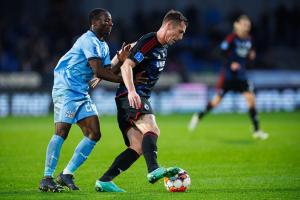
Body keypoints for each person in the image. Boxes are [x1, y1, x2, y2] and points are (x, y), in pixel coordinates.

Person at [91, 9, 188, 192]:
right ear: (168, 26)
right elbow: (127, 65)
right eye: (180, 32)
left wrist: (108, 69)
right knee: (152, 128)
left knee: (137, 146)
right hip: (132, 96)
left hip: (128, 97)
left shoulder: (159, 45)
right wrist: (132, 91)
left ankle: (104, 181)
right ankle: (153, 170)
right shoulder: (150, 41)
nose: (181, 37)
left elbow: (125, 52)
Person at [39, 8, 132, 192]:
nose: (110, 24)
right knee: (62, 131)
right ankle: (47, 178)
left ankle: (66, 174)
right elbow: (99, 72)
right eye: (106, 21)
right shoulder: (87, 40)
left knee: (94, 133)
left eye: (111, 21)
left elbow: (106, 72)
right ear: (94, 23)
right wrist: (128, 81)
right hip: (65, 87)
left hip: (80, 91)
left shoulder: (103, 45)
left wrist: (120, 61)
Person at [188, 15, 268, 140]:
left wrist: (251, 57)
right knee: (216, 102)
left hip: (241, 76)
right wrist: (231, 63)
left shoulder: (249, 40)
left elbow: (248, 59)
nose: (246, 27)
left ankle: (256, 130)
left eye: (248, 25)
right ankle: (198, 116)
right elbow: (220, 53)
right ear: (236, 25)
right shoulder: (231, 39)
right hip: (229, 77)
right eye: (244, 24)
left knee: (251, 99)